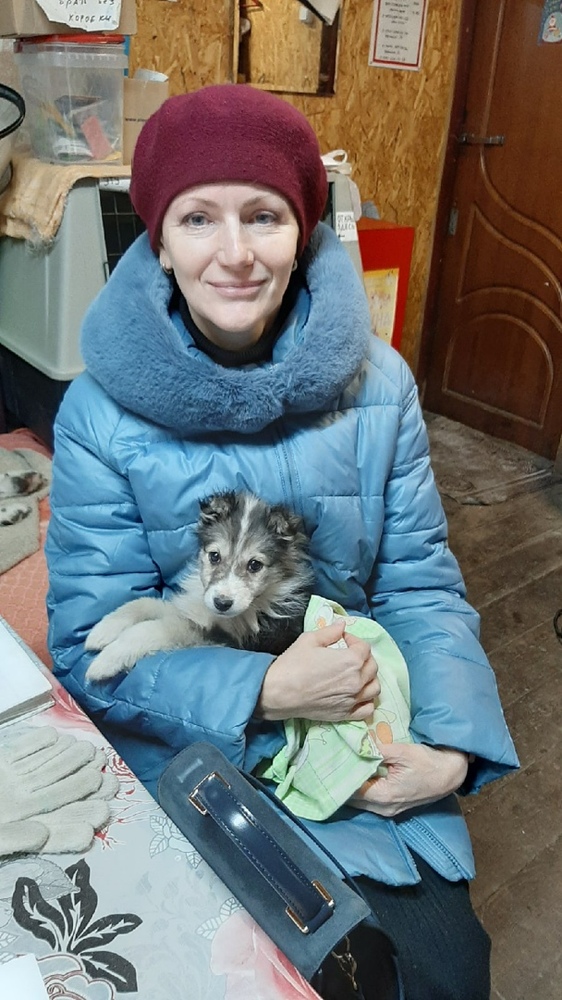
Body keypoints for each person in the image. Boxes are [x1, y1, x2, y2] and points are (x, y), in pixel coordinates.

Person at [45, 83, 518, 1000]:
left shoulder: (381, 386)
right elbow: (86, 653)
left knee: (448, 975)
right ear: (159, 238)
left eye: (263, 215)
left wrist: (453, 749)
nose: (234, 253)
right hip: (194, 746)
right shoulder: (98, 414)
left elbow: (421, 589)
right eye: (198, 218)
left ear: (304, 231)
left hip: (362, 725)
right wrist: (262, 691)